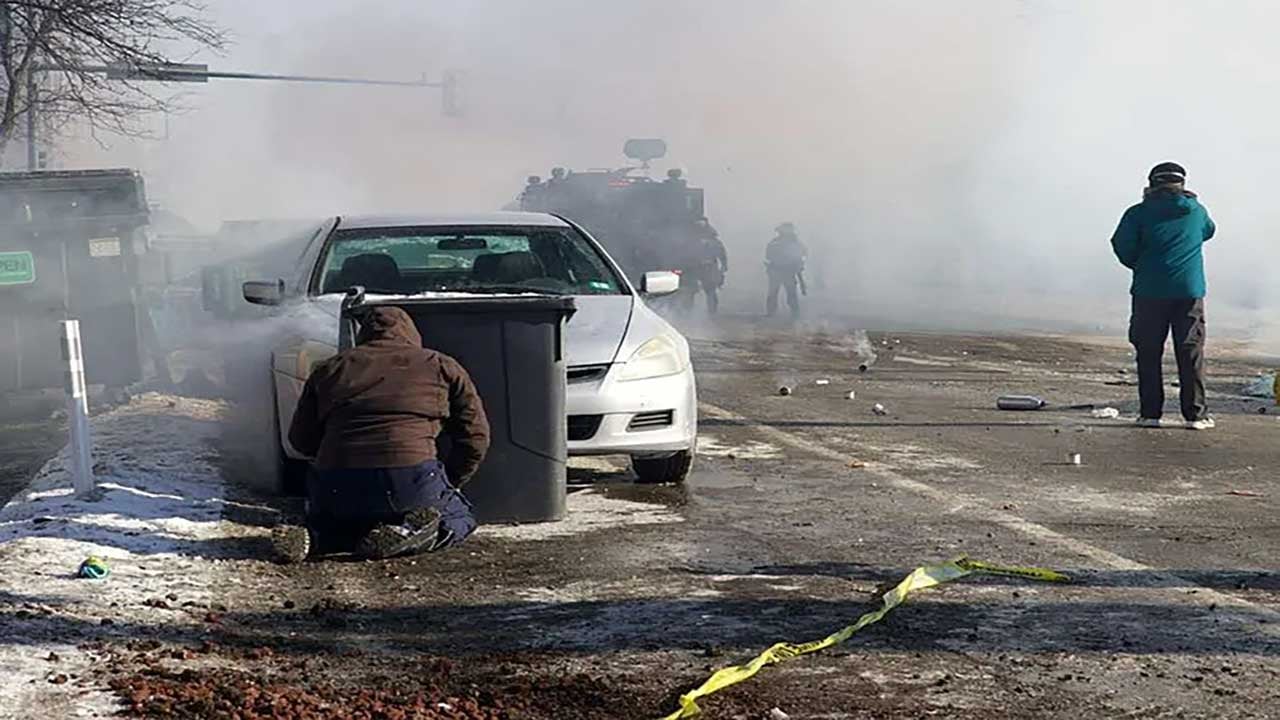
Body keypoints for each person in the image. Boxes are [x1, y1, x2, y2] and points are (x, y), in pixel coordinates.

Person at [271, 306, 491, 562]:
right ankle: (410, 532)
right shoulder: (440, 365)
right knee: (459, 516)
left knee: (337, 520)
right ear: (411, 334)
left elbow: (300, 440)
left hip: (336, 481)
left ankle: (316, 538)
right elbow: (475, 437)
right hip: (410, 477)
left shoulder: (330, 368)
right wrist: (450, 480)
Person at [1110, 162, 1217, 430]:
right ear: (1182, 184)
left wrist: (1144, 266)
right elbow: (1209, 231)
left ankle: (1150, 414)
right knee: (1190, 349)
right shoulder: (1196, 212)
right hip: (1188, 292)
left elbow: (1121, 245)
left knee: (1148, 350)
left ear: (1152, 183)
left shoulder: (1137, 214)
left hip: (1149, 292)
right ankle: (1196, 416)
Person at [677, 217, 729, 314]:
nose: (700, 225)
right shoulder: (689, 239)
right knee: (690, 290)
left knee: (710, 290)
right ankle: (688, 311)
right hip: (693, 267)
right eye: (698, 223)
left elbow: (722, 253)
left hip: (709, 267)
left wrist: (724, 266)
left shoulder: (713, 240)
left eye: (702, 223)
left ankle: (712, 311)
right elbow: (683, 253)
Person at [765, 222, 807, 320]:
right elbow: (768, 255)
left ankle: (795, 314)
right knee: (773, 293)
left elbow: (802, 255)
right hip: (777, 271)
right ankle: (772, 313)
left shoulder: (796, 243)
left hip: (788, 271)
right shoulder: (775, 242)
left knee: (790, 294)